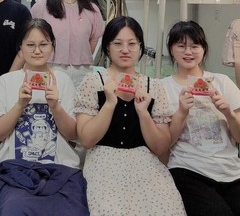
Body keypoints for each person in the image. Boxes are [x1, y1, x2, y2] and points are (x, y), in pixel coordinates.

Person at [162, 21, 240, 216]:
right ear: (171, 49)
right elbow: (165, 144)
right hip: (187, 170)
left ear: (204, 49)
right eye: (181, 45)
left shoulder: (222, 82)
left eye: (195, 46)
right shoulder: (163, 87)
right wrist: (181, 112)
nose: (188, 52)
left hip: (231, 171)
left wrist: (228, 113)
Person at [75, 16, 186, 216]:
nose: (125, 50)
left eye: (132, 44)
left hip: (146, 164)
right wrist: (109, 104)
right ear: (107, 47)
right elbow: (86, 140)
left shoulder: (154, 86)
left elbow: (160, 147)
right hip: (103, 163)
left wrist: (143, 113)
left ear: (140, 47)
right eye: (117, 43)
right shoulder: (93, 82)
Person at [0, 18, 88, 216]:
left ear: (52, 46)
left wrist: (56, 106)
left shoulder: (63, 80)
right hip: (15, 169)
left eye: (43, 44)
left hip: (60, 169)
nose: (37, 51)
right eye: (30, 45)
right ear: (20, 48)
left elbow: (73, 134)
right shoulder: (6, 81)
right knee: (14, 209)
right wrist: (20, 105)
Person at [29, 0, 104, 89]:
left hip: (83, 72)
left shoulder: (92, 10)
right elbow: (33, 42)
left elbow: (92, 43)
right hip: (50, 69)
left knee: (81, 103)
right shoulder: (41, 8)